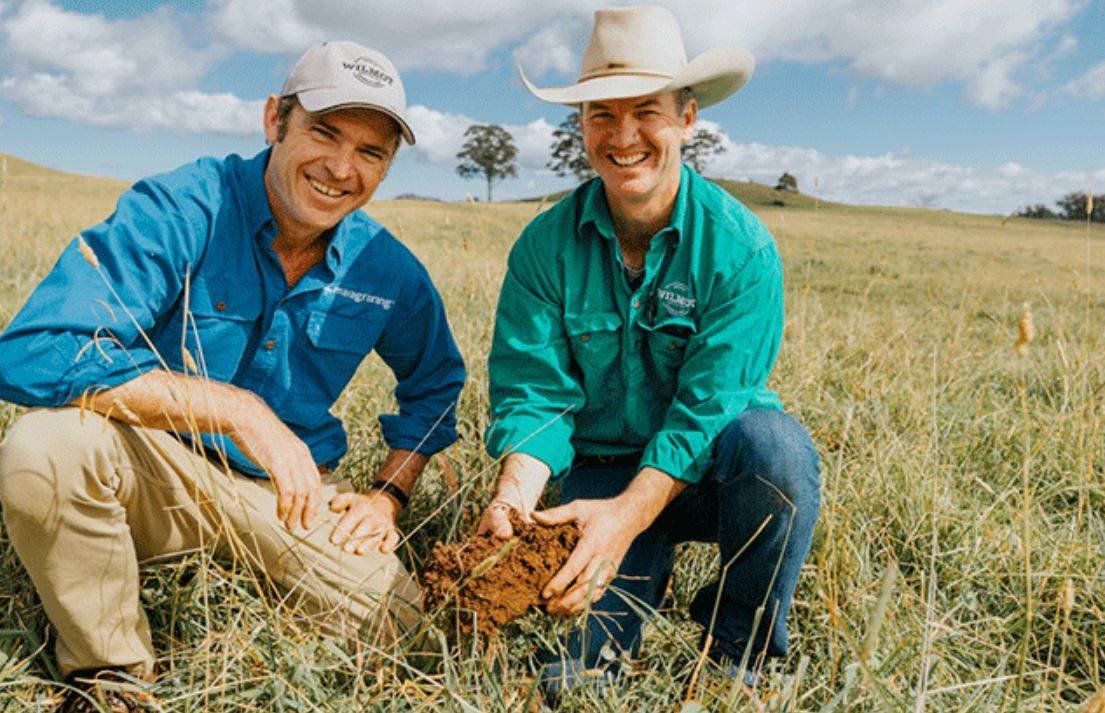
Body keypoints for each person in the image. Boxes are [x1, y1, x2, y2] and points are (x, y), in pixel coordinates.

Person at [0, 40, 464, 711]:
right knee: (44, 449)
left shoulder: (387, 271)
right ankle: (113, 678)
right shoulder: (181, 207)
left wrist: (387, 495)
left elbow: (437, 385)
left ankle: (262, 599)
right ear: (275, 119)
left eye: (370, 152)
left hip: (288, 498)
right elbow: (32, 349)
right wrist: (236, 408)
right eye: (324, 133)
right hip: (146, 467)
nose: (340, 168)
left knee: (403, 634)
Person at [478, 6, 820, 702]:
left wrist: (631, 514)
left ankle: (735, 650)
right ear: (581, 126)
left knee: (777, 453)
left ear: (687, 118)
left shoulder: (739, 247)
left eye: (646, 112)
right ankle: (627, 589)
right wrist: (514, 496)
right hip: (598, 477)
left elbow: (708, 406)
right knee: (572, 683)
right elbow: (532, 394)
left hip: (711, 477)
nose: (623, 135)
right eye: (601, 114)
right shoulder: (544, 247)